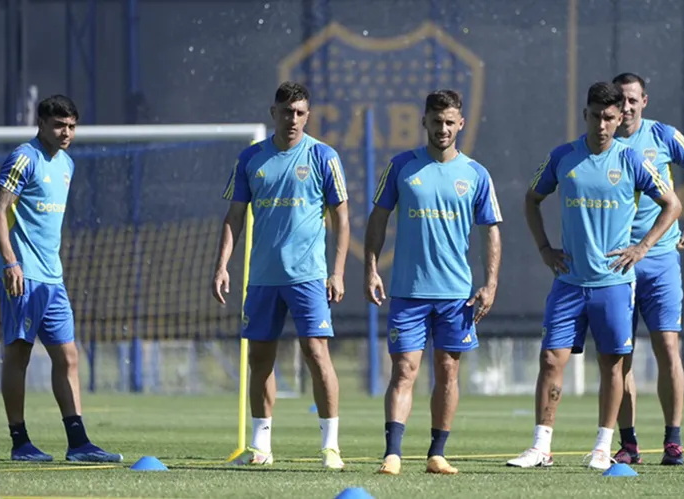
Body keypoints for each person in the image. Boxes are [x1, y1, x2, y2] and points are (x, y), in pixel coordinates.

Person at [507, 82, 681, 470]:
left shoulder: (632, 160)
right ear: (584, 114)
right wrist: (544, 249)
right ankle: (541, 447)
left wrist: (642, 248)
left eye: (609, 117)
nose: (601, 124)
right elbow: (532, 199)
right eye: (595, 115)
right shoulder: (563, 156)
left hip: (614, 284)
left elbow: (672, 203)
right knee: (551, 360)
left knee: (613, 365)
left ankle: (603, 447)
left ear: (620, 119)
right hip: (568, 282)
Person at [365, 89, 503, 475]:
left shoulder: (476, 173)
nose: (442, 129)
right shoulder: (401, 167)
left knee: (448, 372)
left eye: (449, 122)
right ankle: (392, 453)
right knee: (405, 370)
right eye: (436, 121)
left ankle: (436, 453)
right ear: (423, 121)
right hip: (408, 291)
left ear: (461, 123)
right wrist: (371, 268)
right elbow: (378, 219)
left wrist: (490, 284)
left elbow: (491, 231)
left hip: (456, 295)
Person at [213, 81, 350, 470]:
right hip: (261, 278)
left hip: (308, 276)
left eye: (300, 112)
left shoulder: (324, 156)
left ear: (308, 115)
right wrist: (222, 265)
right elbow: (234, 217)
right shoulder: (251, 158)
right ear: (273, 112)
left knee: (316, 353)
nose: (293, 119)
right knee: (260, 359)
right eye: (287, 111)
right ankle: (261, 447)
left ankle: (330, 447)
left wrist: (337, 272)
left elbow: (342, 217)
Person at [0, 95, 123, 463]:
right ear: (42, 124)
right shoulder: (23, 157)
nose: (67, 133)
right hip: (23, 275)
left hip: (52, 278)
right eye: (60, 125)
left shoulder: (66, 164)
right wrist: (11, 262)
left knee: (68, 356)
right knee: (19, 355)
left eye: (72, 126)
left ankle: (79, 443)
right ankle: (20, 442)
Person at [611, 72, 684, 466]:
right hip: (616, 264)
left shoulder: (664, 135)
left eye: (633, 99)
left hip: (659, 259)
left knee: (668, 347)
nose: (627, 106)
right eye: (620, 99)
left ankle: (673, 440)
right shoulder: (601, 142)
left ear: (644, 101)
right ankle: (629, 443)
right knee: (620, 355)